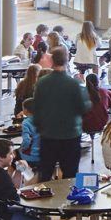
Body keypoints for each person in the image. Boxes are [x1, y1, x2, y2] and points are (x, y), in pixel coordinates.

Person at [30, 48, 88, 178]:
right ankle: (67, 198)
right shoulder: (73, 84)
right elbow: (83, 108)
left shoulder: (42, 83)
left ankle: (44, 197)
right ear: (67, 60)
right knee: (70, 174)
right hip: (70, 134)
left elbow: (36, 108)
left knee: (45, 173)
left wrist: (40, 128)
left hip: (48, 135)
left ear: (52, 60)